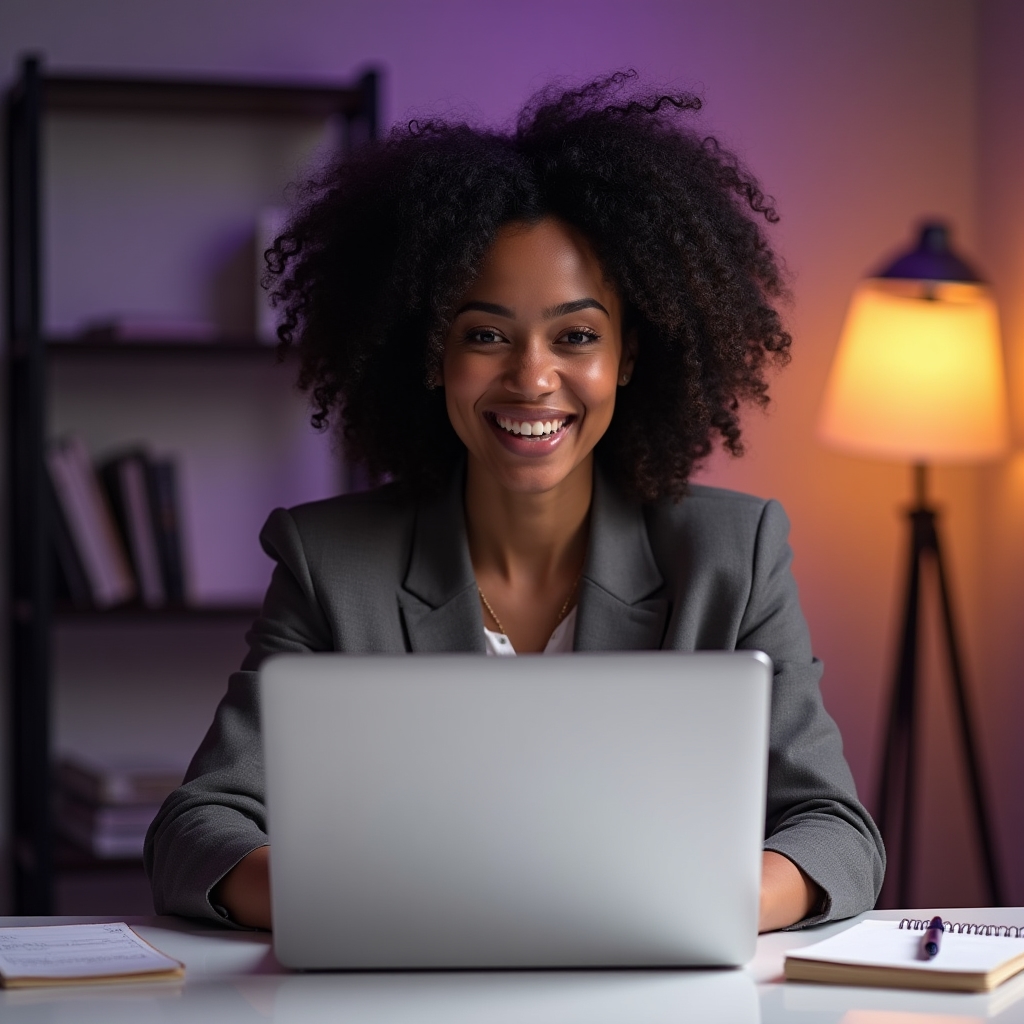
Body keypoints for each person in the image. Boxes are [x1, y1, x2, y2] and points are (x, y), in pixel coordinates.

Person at [145, 71, 884, 933]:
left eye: (576, 336)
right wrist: (352, 903)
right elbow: (194, 833)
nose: (533, 378)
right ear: (431, 356)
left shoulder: (734, 553)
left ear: (629, 357)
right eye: (485, 334)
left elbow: (836, 833)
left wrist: (708, 902)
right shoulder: (331, 565)